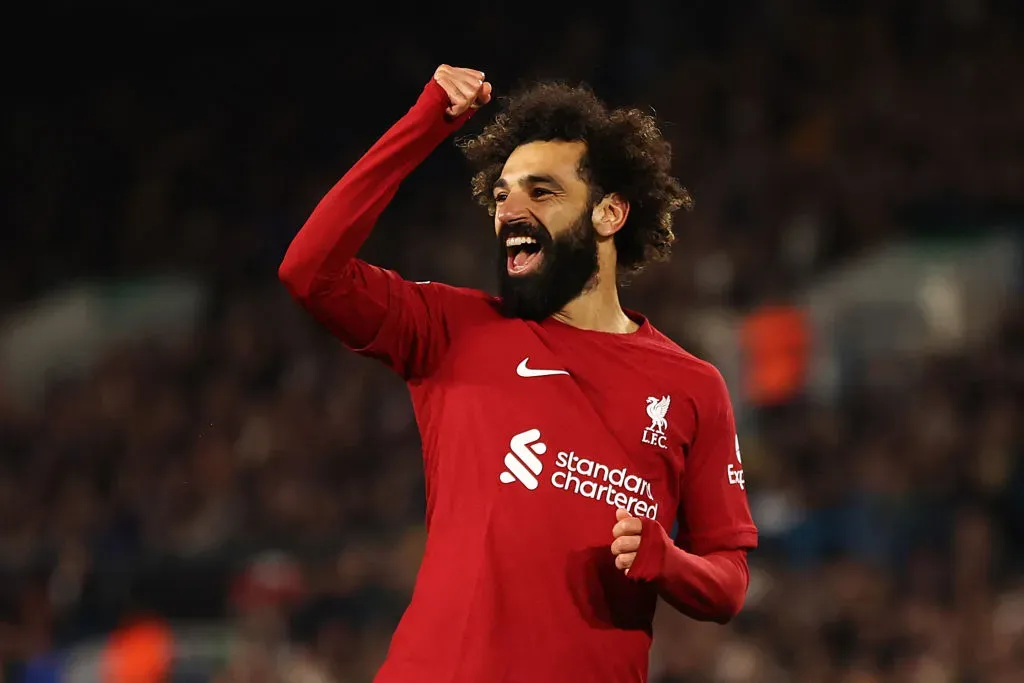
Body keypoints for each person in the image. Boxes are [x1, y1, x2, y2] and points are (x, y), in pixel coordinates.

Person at [279, 65, 758, 683]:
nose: (511, 209)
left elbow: (729, 580)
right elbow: (309, 271)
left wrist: (668, 562)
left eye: (542, 192)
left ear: (609, 213)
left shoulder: (694, 387)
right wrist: (425, 124)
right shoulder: (454, 329)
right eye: (501, 195)